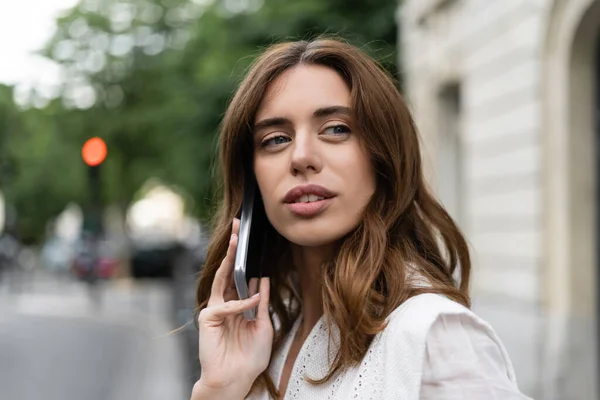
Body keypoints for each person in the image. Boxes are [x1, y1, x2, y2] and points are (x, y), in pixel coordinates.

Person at [191, 37, 530, 400]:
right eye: (276, 139)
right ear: (252, 179)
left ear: (383, 160)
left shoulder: (431, 336)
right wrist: (219, 389)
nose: (301, 156)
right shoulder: (266, 337)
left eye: (336, 129)